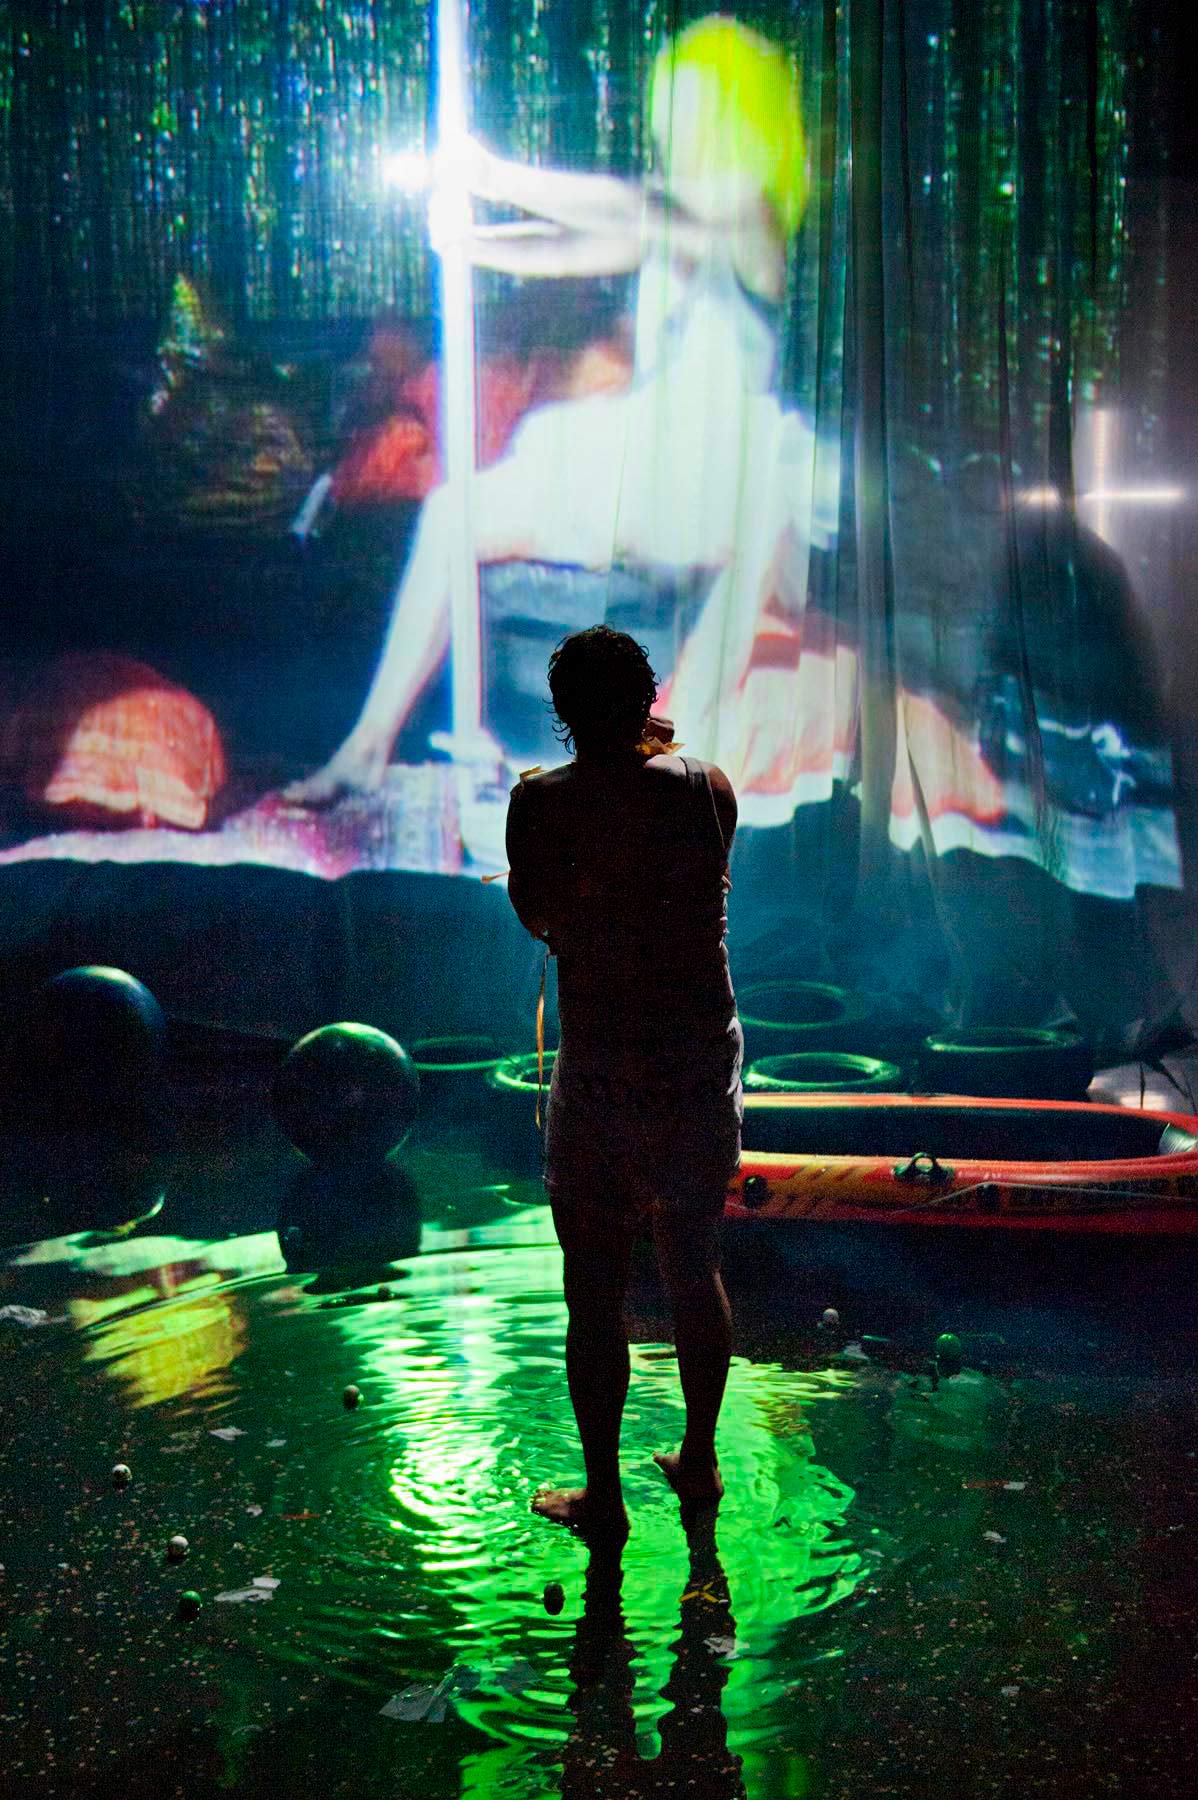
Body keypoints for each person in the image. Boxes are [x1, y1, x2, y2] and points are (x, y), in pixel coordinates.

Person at [286, 16, 828, 807]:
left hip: (715, 481)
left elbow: (634, 207)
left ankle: (668, 763)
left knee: (757, 518)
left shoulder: (750, 212)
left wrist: (494, 175)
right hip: (650, 471)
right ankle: (364, 750)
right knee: (451, 515)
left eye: (694, 111)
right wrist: (479, 242)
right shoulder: (675, 223)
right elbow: (585, 244)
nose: (674, 130)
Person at [505, 626, 742, 1537]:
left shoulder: (542, 804)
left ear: (563, 712)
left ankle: (604, 1499)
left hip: (605, 1073)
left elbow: (539, 916)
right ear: (648, 697)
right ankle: (700, 1459)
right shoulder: (709, 789)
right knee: (693, 1264)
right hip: (695, 1065)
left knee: (595, 1289)